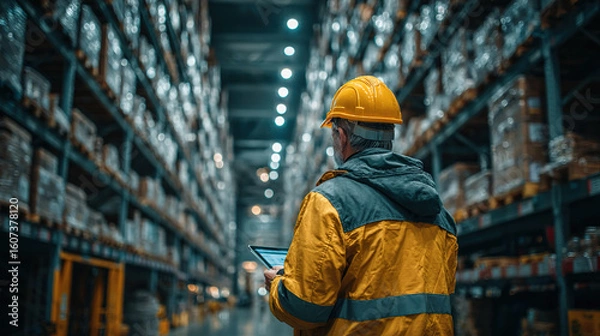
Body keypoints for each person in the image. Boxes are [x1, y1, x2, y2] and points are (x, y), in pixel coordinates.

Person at [264, 76, 458, 335]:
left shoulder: (328, 203)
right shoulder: (437, 210)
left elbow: (305, 308)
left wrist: (278, 285)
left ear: (341, 136)